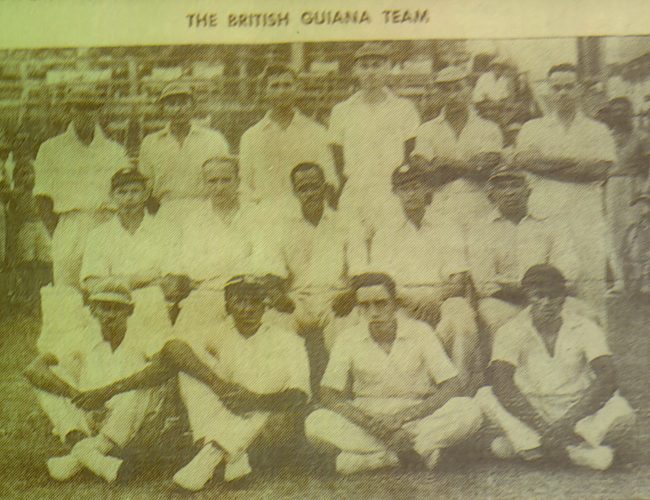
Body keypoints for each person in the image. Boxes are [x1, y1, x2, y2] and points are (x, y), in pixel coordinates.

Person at [72, 275, 311, 491]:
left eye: (255, 302)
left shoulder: (288, 340)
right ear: (227, 306)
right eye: (240, 301)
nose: (248, 309)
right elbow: (173, 349)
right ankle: (232, 459)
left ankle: (211, 455)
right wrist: (220, 385)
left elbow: (299, 395)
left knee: (267, 380)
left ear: (266, 305)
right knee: (188, 370)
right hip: (225, 416)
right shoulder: (217, 332)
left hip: (268, 421)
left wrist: (253, 399)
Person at [305, 273, 483, 475]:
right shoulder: (348, 338)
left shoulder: (420, 331)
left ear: (394, 303)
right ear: (358, 307)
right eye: (365, 305)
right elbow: (328, 393)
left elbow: (451, 385)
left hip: (417, 413)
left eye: (381, 303)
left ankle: (375, 459)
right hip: (370, 415)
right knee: (315, 421)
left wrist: (403, 417)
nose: (373, 312)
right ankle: (414, 452)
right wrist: (370, 423)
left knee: (469, 409)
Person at [476, 265, 635, 471]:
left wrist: (567, 423)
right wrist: (542, 425)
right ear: (527, 297)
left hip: (576, 411)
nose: (546, 303)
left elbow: (608, 377)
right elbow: (502, 383)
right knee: (484, 396)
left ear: (563, 298)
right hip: (531, 409)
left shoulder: (585, 326)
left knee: (623, 411)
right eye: (539, 296)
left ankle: (531, 447)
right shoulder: (510, 330)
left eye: (553, 296)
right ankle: (576, 452)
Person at [23, 281, 171, 483]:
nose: (110, 315)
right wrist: (73, 393)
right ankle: (95, 458)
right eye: (104, 307)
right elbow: (33, 369)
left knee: (148, 379)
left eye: (118, 308)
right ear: (92, 310)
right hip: (88, 411)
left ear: (130, 310)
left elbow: (164, 368)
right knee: (48, 379)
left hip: (125, 416)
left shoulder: (143, 335)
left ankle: (84, 455)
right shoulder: (82, 336)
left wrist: (108, 392)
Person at [514, 64, 616, 323]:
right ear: (548, 90)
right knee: (543, 291)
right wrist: (576, 164)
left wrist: (547, 163)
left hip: (585, 218)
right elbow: (526, 161)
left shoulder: (597, 130)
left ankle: (596, 356)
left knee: (591, 289)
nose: (562, 93)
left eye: (568, 87)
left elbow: (598, 170)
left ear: (579, 89)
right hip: (545, 217)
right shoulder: (532, 128)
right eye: (556, 87)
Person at [367, 163, 479, 388]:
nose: (411, 194)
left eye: (416, 187)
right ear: (395, 193)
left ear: (427, 189)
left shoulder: (447, 225)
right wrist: (411, 300)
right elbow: (381, 284)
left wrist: (434, 298)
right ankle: (416, 391)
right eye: (404, 188)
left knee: (462, 317)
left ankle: (458, 389)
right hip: (402, 301)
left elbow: (458, 281)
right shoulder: (385, 232)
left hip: (442, 297)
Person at [468, 168, 591, 344]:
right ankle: (502, 370)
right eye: (502, 187)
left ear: (528, 190)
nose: (510, 192)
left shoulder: (552, 223)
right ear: (491, 194)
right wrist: (526, 295)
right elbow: (485, 282)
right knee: (496, 319)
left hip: (549, 295)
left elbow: (567, 267)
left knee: (586, 315)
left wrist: (542, 295)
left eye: (516, 185)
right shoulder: (480, 229)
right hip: (504, 301)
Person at [162, 155, 285, 330]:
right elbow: (192, 267)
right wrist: (240, 264)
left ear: (238, 181)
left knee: (272, 331)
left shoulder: (258, 215)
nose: (219, 188)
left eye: (226, 180)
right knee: (184, 340)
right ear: (204, 184)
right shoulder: (194, 220)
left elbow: (269, 260)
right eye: (212, 181)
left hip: (250, 294)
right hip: (207, 295)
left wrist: (217, 269)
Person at [273, 162, 364, 389]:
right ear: (295, 192)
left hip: (336, 297)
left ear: (325, 188)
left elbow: (360, 269)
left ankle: (341, 393)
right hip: (297, 298)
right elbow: (273, 271)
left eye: (315, 186)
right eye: (303, 188)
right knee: (276, 325)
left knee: (345, 328)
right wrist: (278, 295)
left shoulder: (346, 222)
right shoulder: (282, 226)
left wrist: (351, 294)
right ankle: (294, 395)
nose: (310, 193)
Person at [33, 86, 129, 287]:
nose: (86, 113)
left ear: (99, 111)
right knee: (69, 295)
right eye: (79, 108)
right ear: (68, 111)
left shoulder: (114, 150)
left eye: (92, 108)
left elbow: (125, 193)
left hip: (107, 223)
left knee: (108, 292)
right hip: (70, 225)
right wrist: (58, 233)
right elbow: (42, 198)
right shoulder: (50, 149)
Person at [80, 168, 173, 345]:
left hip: (152, 304)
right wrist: (140, 278)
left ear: (146, 194)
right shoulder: (98, 235)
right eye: (122, 192)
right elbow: (91, 284)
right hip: (112, 308)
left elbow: (170, 283)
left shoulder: (166, 230)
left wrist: (113, 281)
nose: (129, 198)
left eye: (135, 191)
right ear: (112, 196)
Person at [331, 42, 420, 221]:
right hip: (355, 192)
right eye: (364, 67)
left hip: (391, 192)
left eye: (376, 66)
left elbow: (410, 151)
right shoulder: (341, 110)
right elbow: (337, 156)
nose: (370, 73)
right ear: (355, 70)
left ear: (387, 68)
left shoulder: (404, 108)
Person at [412, 66, 503, 232]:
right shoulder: (427, 129)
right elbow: (427, 176)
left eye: (458, 88)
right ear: (438, 94)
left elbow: (486, 172)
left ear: (469, 89)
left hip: (480, 205)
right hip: (441, 207)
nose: (453, 95)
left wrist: (444, 162)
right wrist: (471, 165)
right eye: (446, 90)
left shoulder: (489, 128)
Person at [239, 63, 339, 206]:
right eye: (275, 86)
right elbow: (245, 185)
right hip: (266, 217)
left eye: (287, 85)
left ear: (297, 89)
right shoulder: (251, 136)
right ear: (264, 91)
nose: (282, 91)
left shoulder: (315, 131)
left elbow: (329, 179)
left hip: (305, 215)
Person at [138, 81, 231, 225]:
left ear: (193, 107)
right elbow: (146, 188)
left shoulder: (213, 139)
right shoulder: (151, 143)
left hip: (206, 210)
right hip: (166, 211)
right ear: (162, 109)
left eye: (183, 103)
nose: (178, 109)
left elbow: (226, 178)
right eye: (171, 104)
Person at [600, 97, 650, 292]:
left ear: (630, 113)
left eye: (623, 110)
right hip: (610, 186)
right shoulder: (605, 137)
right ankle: (620, 279)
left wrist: (645, 192)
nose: (619, 114)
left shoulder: (643, 137)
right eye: (615, 111)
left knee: (638, 232)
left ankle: (643, 278)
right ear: (610, 115)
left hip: (634, 184)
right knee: (613, 233)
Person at [7, 159, 52, 310]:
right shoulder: (16, 193)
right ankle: (26, 295)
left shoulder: (37, 190)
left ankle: (41, 293)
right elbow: (12, 212)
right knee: (27, 262)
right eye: (23, 174)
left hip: (38, 224)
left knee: (46, 258)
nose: (28, 177)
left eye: (30, 173)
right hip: (25, 226)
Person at [624, 193, 650, 296]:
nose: (640, 208)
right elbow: (626, 252)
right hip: (635, 275)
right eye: (638, 206)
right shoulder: (632, 229)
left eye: (645, 204)